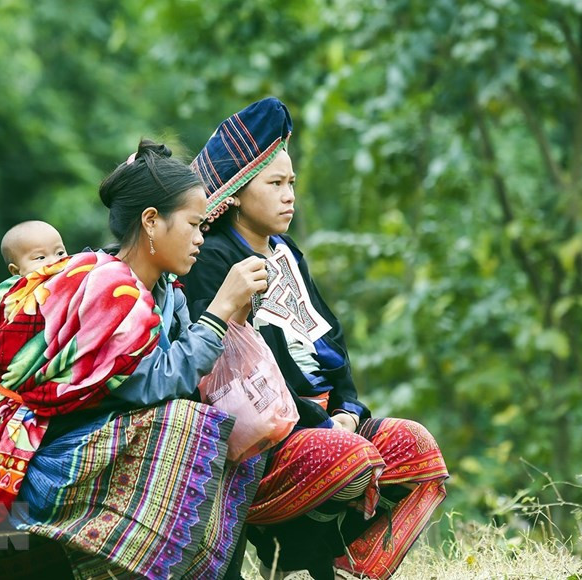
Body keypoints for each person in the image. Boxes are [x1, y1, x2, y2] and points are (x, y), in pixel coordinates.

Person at [0, 139, 270, 579]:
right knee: (183, 427)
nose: (201, 238)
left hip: (94, 451)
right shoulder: (106, 286)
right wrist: (217, 312)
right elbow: (155, 385)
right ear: (151, 222)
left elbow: (186, 375)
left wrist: (234, 315)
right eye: (195, 224)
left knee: (222, 435)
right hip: (35, 465)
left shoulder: (166, 294)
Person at [181, 98, 449, 580]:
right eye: (276, 184)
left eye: (292, 185)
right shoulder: (213, 260)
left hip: (328, 418)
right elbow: (235, 371)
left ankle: (341, 560)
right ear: (238, 192)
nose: (289, 197)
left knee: (415, 446)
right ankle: (300, 549)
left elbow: (330, 339)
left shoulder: (286, 251)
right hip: (271, 431)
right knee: (352, 458)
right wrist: (320, 421)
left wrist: (347, 407)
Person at [0, 220, 68, 303]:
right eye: (41, 258)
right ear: (16, 271)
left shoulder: (73, 270)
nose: (55, 261)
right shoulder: (11, 296)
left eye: (60, 253)